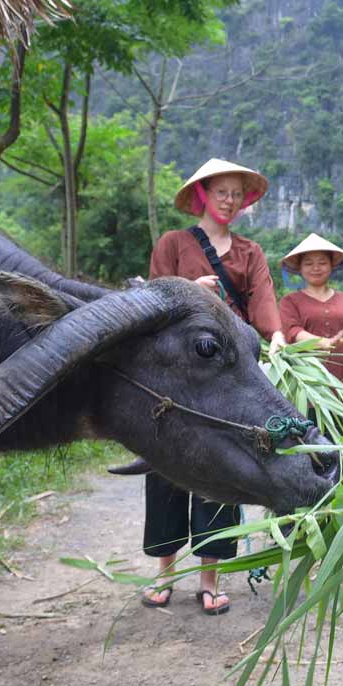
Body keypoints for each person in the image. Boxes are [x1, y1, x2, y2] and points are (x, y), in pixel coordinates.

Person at [141, 158, 286, 615]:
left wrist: (278, 336)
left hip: (226, 379)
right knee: (164, 466)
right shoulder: (174, 243)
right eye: (221, 192)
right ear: (203, 195)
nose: (229, 200)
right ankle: (164, 573)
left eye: (236, 194)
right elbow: (149, 300)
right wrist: (188, 288)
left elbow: (264, 303)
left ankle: (209, 579)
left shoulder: (250, 252)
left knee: (221, 470)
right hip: (174, 376)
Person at [278, 233, 343, 405]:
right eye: (309, 263)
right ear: (300, 268)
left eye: (322, 263)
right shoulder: (289, 302)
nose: (316, 268)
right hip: (305, 389)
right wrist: (323, 342)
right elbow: (293, 332)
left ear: (332, 266)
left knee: (341, 433)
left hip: (341, 390)